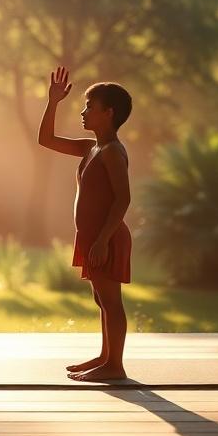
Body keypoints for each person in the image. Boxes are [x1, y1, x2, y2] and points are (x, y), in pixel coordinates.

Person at [37, 66, 132, 381]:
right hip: (93, 237)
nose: (83, 112)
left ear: (109, 113)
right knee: (101, 299)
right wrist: (53, 102)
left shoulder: (112, 152)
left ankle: (115, 367)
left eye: (89, 107)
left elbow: (123, 199)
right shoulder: (89, 148)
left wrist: (103, 240)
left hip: (107, 237)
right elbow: (46, 139)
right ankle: (105, 357)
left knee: (111, 300)